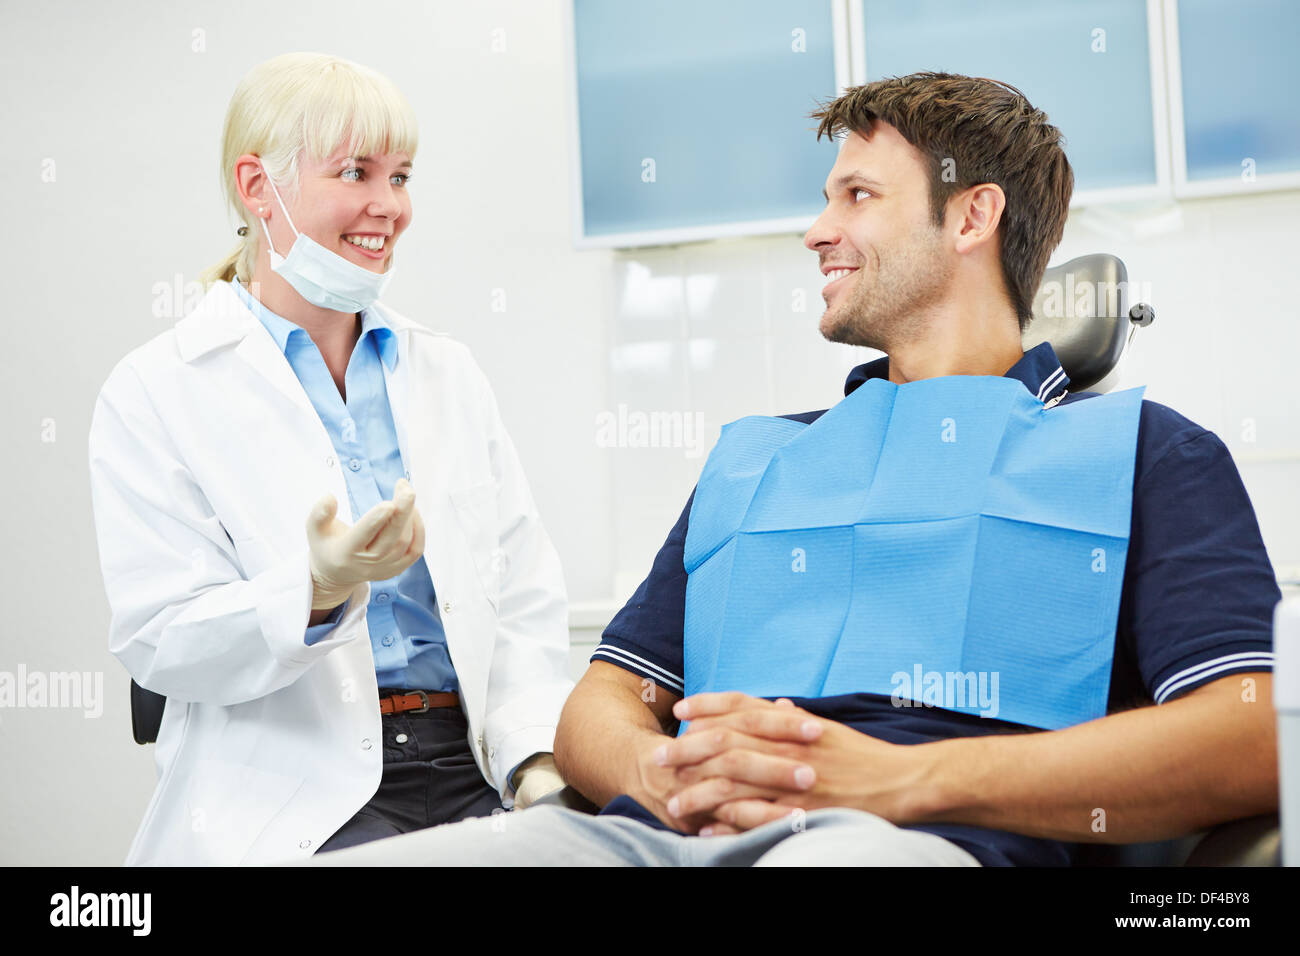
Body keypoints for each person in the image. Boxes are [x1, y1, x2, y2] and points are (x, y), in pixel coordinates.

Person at [308, 72, 1280, 868]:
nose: (817, 230)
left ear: (971, 215)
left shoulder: (1145, 453)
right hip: (657, 836)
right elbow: (605, 697)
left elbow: (1253, 733)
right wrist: (655, 773)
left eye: (857, 196)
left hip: (911, 839)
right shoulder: (760, 458)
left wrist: (899, 779)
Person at [88, 52, 571, 866]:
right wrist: (314, 590)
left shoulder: (446, 371)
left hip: (472, 766)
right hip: (292, 790)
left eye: (401, 176)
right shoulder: (155, 390)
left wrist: (537, 762)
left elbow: (523, 598)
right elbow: (161, 637)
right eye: (356, 172)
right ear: (257, 187)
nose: (390, 206)